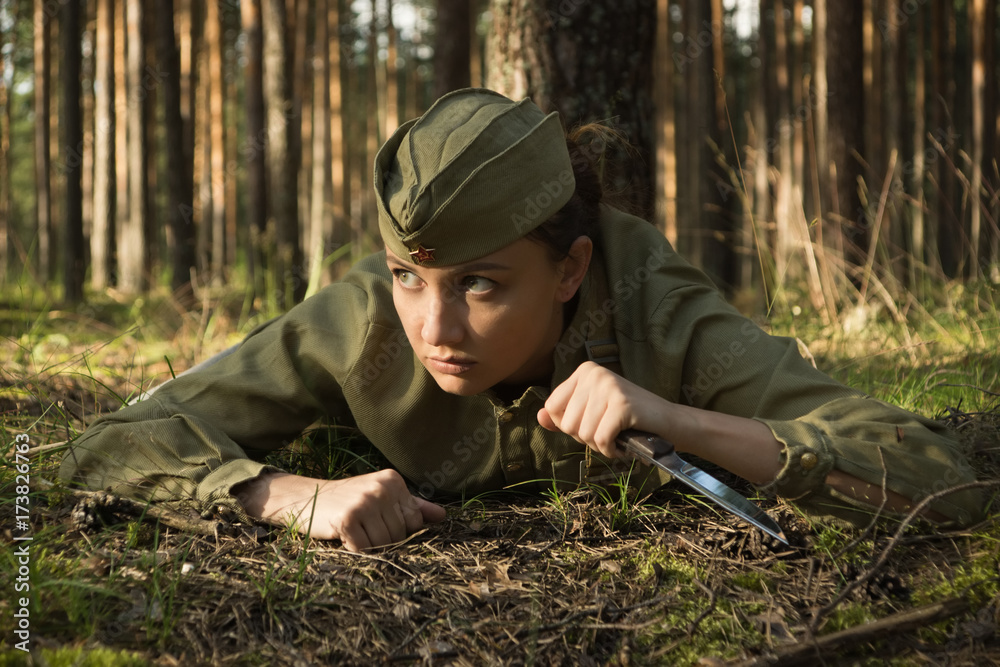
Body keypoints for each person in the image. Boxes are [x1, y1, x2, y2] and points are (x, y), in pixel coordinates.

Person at [61, 88, 984, 552]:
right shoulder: (358, 318)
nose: (434, 327)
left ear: (571, 267)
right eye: (409, 279)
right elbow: (111, 441)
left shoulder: (658, 309)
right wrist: (290, 494)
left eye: (481, 285)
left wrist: (676, 419)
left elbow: (941, 478)